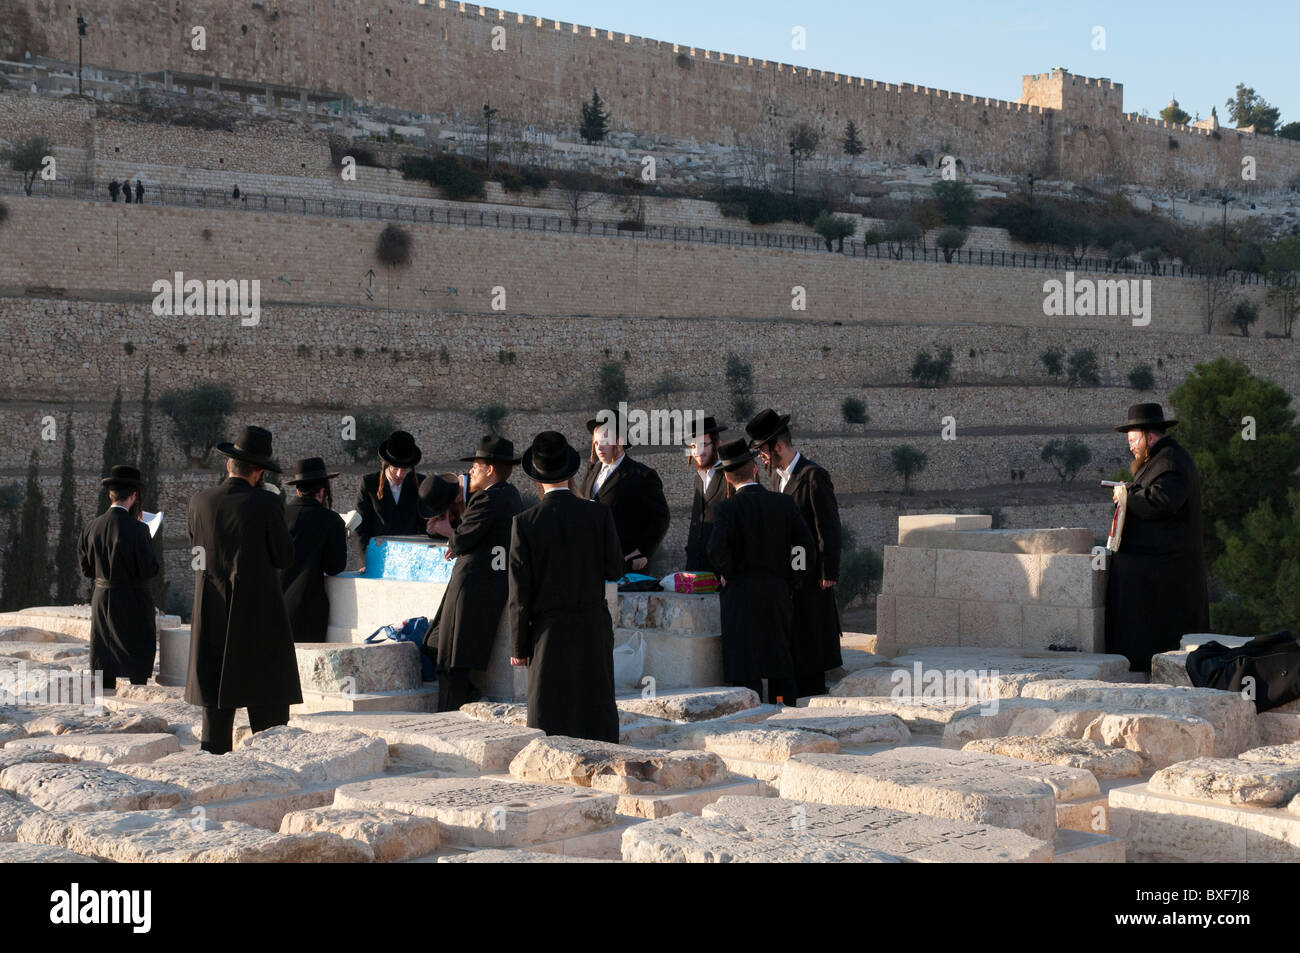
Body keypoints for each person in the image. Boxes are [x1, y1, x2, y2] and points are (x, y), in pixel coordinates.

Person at [185, 425, 301, 754]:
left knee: (215, 727)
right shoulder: (266, 503)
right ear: (259, 472)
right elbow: (284, 556)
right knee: (270, 727)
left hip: (212, 619)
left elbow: (198, 549)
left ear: (229, 465)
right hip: (258, 621)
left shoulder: (199, 502)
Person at [509, 431, 623, 742]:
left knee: (551, 712)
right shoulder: (598, 514)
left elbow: (520, 593)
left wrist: (518, 646)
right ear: (572, 473)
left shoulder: (525, 522)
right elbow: (615, 569)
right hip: (592, 624)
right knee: (594, 705)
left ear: (536, 477)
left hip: (549, 631)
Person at [707, 438, 815, 706]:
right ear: (755, 467)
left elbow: (715, 549)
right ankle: (784, 705)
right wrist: (794, 578)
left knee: (746, 662)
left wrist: (726, 573)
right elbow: (805, 546)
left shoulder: (727, 509)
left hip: (740, 593)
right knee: (778, 656)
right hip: (777, 590)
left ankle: (751, 713)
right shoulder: (783, 504)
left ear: (729, 480)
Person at [1106, 403, 1210, 673]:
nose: (1131, 446)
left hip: (1168, 571)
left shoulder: (1171, 462)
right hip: (1155, 567)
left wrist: (1127, 496)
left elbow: (1162, 502)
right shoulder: (1158, 460)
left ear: (1149, 436)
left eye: (1133, 440)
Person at [747, 408, 844, 698]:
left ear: (777, 446)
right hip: (788, 578)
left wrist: (829, 571)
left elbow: (828, 526)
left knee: (810, 642)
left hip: (813, 577)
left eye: (763, 451)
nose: (761, 458)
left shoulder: (813, 476)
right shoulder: (777, 479)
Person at [423, 436, 525, 712]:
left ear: (490, 470)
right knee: (456, 659)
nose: (470, 473)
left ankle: (448, 720)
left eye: (476, 467)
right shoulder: (511, 494)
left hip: (470, 590)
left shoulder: (487, 499)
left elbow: (461, 540)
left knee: (452, 661)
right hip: (486, 587)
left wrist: (447, 532)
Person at [78, 465, 159, 689]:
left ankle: (105, 701)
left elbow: (86, 570)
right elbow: (149, 570)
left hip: (103, 598)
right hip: (133, 599)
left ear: (110, 495)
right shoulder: (139, 529)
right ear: (134, 496)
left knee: (104, 653)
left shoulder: (90, 527)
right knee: (137, 653)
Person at [579, 410, 670, 573]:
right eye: (596, 442)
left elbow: (660, 518)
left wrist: (643, 551)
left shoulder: (642, 475)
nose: (599, 447)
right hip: (592, 564)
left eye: (605, 441)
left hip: (626, 565)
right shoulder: (591, 471)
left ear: (620, 441)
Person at [281, 457, 348, 643]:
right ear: (322, 491)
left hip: (274, 608)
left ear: (297, 490)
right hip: (308, 612)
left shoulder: (279, 515)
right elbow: (335, 566)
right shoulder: (331, 521)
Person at [353, 430, 427, 566]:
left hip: (411, 560)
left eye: (405, 470)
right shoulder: (369, 483)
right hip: (378, 560)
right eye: (395, 468)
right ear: (386, 464)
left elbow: (424, 525)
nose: (400, 474)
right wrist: (365, 561)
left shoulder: (421, 484)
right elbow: (361, 527)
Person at [683, 415, 728, 573]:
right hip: (696, 567)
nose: (697, 452)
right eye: (693, 446)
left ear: (717, 444)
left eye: (703, 445)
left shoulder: (729, 477)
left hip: (720, 570)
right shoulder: (699, 478)